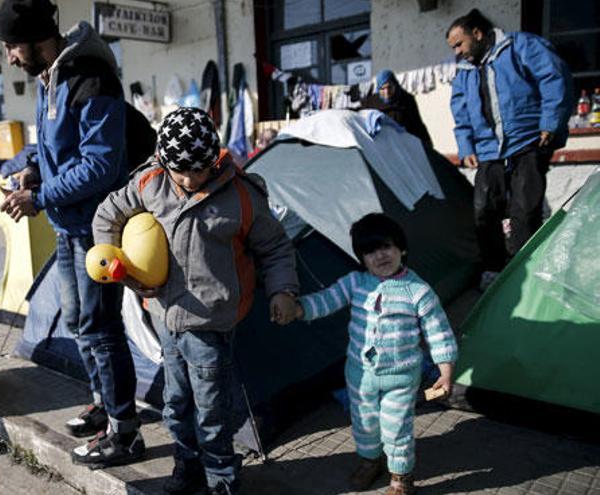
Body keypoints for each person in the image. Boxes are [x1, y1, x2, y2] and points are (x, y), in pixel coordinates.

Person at [93, 107, 301, 494]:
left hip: (211, 324)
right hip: (165, 317)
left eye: (199, 170)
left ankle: (220, 476)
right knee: (176, 402)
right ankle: (186, 466)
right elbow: (108, 214)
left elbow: (274, 248)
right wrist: (115, 262)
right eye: (180, 171)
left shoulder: (242, 196)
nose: (189, 180)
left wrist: (283, 291)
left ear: (214, 159)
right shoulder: (149, 182)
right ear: (164, 161)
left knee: (212, 407)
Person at [0, 0, 143, 466]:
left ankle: (126, 431)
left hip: (98, 229)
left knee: (101, 328)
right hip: (67, 225)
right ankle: (103, 405)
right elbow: (54, 145)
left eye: (12, 47)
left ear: (39, 39)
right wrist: (33, 172)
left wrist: (37, 199)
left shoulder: (91, 79)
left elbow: (102, 164)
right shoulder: (49, 79)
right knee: (80, 323)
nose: (9, 58)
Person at [285, 213, 457, 495]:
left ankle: (401, 478)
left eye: (386, 247)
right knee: (364, 423)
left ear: (401, 248)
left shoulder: (418, 291)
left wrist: (446, 370)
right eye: (370, 251)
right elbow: (326, 300)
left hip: (401, 378)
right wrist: (298, 309)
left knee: (396, 428)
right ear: (361, 258)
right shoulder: (355, 283)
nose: (380, 256)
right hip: (359, 374)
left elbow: (439, 332)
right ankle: (370, 461)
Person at [446, 9, 573, 285]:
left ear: (477, 34)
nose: (457, 51)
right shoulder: (465, 72)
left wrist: (550, 122)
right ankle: (493, 270)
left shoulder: (522, 46)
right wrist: (466, 145)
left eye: (459, 44)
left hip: (527, 142)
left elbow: (553, 78)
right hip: (489, 150)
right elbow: (460, 111)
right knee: (484, 210)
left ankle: (522, 274)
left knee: (524, 210)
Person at [360, 70, 433, 145]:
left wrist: (426, 142)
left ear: (395, 85)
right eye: (383, 88)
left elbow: (417, 124)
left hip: (404, 144)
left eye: (389, 87)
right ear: (378, 88)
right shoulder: (370, 103)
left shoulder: (406, 100)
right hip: (382, 145)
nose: (387, 92)